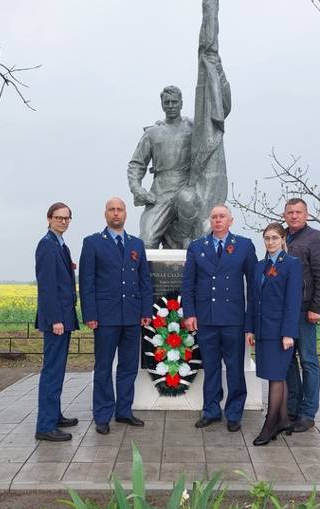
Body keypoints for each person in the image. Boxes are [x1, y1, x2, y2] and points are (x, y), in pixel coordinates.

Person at [79, 197, 154, 435]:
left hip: (132, 317)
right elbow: (87, 281)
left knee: (128, 367)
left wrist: (145, 311)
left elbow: (144, 281)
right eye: (111, 210)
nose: (116, 214)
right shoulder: (92, 243)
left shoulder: (136, 244)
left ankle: (124, 411)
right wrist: (90, 314)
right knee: (103, 368)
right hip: (105, 318)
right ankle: (102, 415)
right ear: (105, 214)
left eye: (119, 210)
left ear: (125, 214)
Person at [182, 204, 258, 432]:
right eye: (214, 217)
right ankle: (211, 410)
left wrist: (250, 323)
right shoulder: (197, 247)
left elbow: (253, 288)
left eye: (222, 216)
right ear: (210, 221)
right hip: (206, 319)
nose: (217, 220)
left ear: (230, 221)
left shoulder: (244, 246)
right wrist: (190, 313)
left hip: (233, 319)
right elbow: (188, 284)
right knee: (211, 367)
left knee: (235, 368)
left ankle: (234, 413)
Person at [245, 223, 302, 446]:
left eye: (275, 238)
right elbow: (253, 299)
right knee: (276, 374)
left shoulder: (291, 264)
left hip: (280, 333)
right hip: (262, 330)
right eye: (267, 238)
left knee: (276, 377)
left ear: (283, 239)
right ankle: (284, 419)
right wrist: (249, 328)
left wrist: (288, 333)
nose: (270, 242)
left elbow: (293, 301)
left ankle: (270, 424)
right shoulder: (259, 266)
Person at [283, 198, 320, 433]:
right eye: (290, 212)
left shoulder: (317, 239)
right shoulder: (281, 237)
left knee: (308, 361)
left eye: (298, 212)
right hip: (285, 312)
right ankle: (292, 407)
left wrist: (318, 306)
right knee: (288, 362)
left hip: (305, 311)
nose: (294, 216)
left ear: (307, 215)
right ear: (284, 215)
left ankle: (308, 412)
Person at [127, 85, 201, 249]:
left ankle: (184, 236)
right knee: (145, 242)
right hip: (160, 191)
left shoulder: (193, 128)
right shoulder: (153, 132)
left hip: (186, 187)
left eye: (174, 102)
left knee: (188, 204)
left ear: (181, 103)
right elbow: (136, 165)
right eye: (167, 102)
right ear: (162, 104)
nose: (171, 105)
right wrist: (137, 189)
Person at [33, 202, 80, 442]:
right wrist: (55, 320)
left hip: (65, 318)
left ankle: (54, 414)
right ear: (49, 218)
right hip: (57, 321)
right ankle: (45, 426)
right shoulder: (46, 246)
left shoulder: (60, 245)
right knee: (52, 370)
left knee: (58, 369)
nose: (63, 221)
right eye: (59, 217)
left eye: (67, 218)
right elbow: (47, 288)